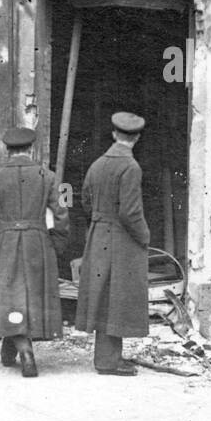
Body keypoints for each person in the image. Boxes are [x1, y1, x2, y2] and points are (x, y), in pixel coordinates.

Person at [0, 127, 70, 377]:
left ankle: (24, 351)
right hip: (38, 241)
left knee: (12, 296)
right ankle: (17, 348)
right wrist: (56, 245)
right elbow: (62, 216)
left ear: (7, 150)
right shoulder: (49, 177)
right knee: (31, 297)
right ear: (31, 149)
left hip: (6, 242)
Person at [75, 111, 149, 376]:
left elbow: (84, 200)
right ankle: (108, 361)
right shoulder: (130, 167)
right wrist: (144, 236)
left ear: (114, 134)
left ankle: (109, 357)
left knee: (104, 296)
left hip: (99, 234)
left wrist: (97, 222)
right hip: (121, 238)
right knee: (116, 297)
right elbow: (130, 212)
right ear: (137, 138)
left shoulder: (97, 164)